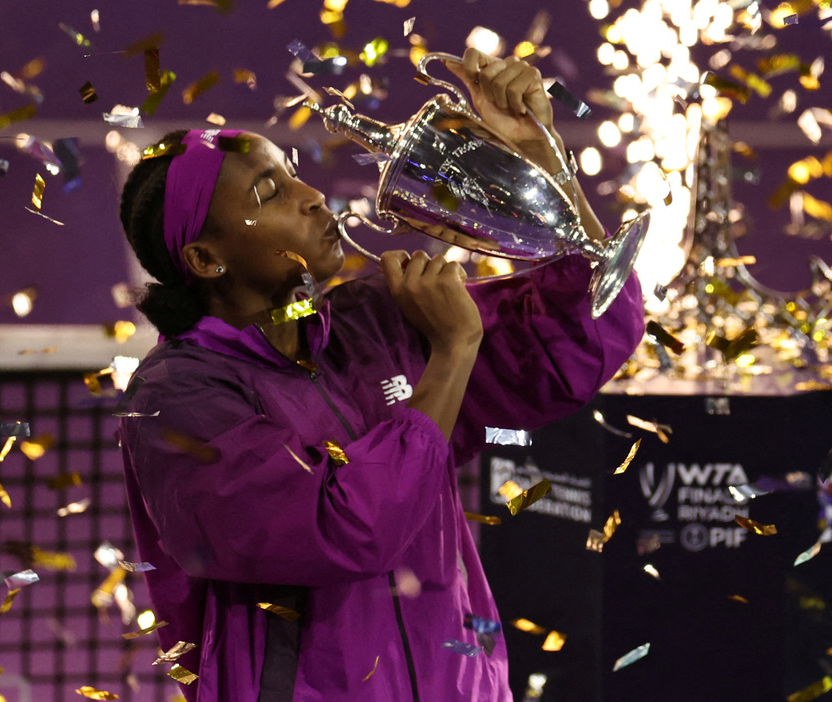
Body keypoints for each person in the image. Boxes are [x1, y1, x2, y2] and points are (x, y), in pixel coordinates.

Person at [117, 48, 644, 702]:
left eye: (293, 174)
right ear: (205, 257)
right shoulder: (178, 399)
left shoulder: (374, 319)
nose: (312, 198)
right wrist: (451, 353)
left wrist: (538, 159)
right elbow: (343, 531)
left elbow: (582, 344)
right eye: (268, 192)